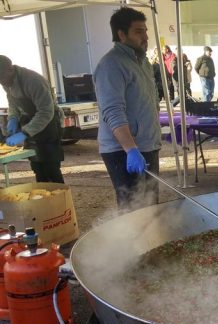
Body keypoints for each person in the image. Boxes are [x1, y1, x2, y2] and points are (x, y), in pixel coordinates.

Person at [94, 7, 161, 211]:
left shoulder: (143, 62)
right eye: (139, 31)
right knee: (132, 210)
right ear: (122, 34)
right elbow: (113, 111)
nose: (146, 36)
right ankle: (131, 244)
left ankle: (151, 242)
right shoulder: (111, 65)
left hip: (147, 146)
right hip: (123, 151)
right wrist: (131, 149)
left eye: (145, 31)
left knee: (149, 207)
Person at [0, 55, 64, 183]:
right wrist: (12, 118)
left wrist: (24, 133)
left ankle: (61, 200)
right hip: (31, 123)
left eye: (2, 78)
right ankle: (42, 199)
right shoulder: (6, 82)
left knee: (51, 168)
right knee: (37, 167)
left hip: (48, 125)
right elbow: (13, 104)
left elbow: (46, 111)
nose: (1, 82)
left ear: (10, 70)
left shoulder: (33, 81)